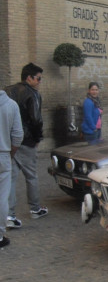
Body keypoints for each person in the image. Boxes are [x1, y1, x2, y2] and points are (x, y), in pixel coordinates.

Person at [5, 62, 47, 225]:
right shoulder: (32, 94)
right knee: (31, 176)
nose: (39, 82)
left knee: (11, 178)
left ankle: (9, 214)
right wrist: (37, 139)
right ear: (29, 78)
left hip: (9, 141)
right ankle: (35, 208)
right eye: (38, 79)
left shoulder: (7, 91)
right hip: (26, 140)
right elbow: (36, 120)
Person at [0, 88, 23, 247]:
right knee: (2, 197)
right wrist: (11, 153)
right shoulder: (11, 105)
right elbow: (17, 135)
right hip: (3, 153)